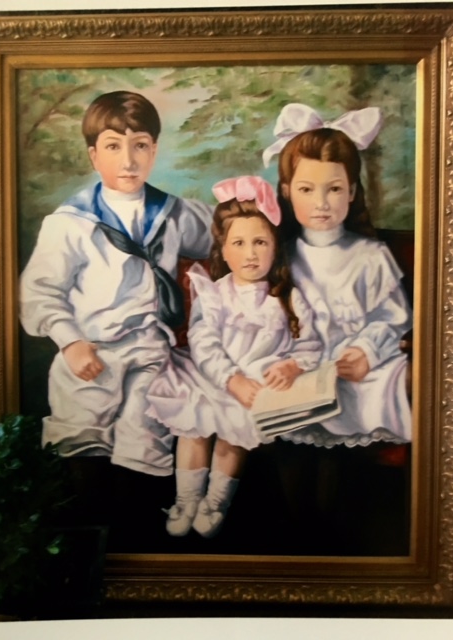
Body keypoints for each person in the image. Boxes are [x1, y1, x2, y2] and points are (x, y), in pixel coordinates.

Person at [20, 90, 213, 479]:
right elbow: (39, 292)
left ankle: (139, 528)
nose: (128, 160)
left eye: (140, 146)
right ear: (93, 155)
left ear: (154, 150)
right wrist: (70, 341)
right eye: (113, 146)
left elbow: (223, 234)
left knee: (145, 443)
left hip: (151, 349)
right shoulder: (71, 222)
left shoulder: (174, 213)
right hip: (92, 349)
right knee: (82, 442)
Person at [147, 175, 323, 538]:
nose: (251, 253)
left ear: (275, 247)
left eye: (260, 242)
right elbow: (204, 342)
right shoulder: (214, 294)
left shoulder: (287, 296)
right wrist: (230, 379)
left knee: (234, 435)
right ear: (223, 251)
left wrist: (292, 364)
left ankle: (215, 504)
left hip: (259, 383)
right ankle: (186, 499)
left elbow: (311, 343)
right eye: (239, 243)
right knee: (194, 430)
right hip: (215, 377)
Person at [263, 103, 412, 448]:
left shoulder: (370, 256)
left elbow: (392, 319)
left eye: (333, 189)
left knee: (380, 385)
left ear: (352, 192)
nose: (321, 203)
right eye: (306, 189)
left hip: (354, 372)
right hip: (297, 369)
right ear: (286, 191)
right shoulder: (279, 255)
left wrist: (365, 353)